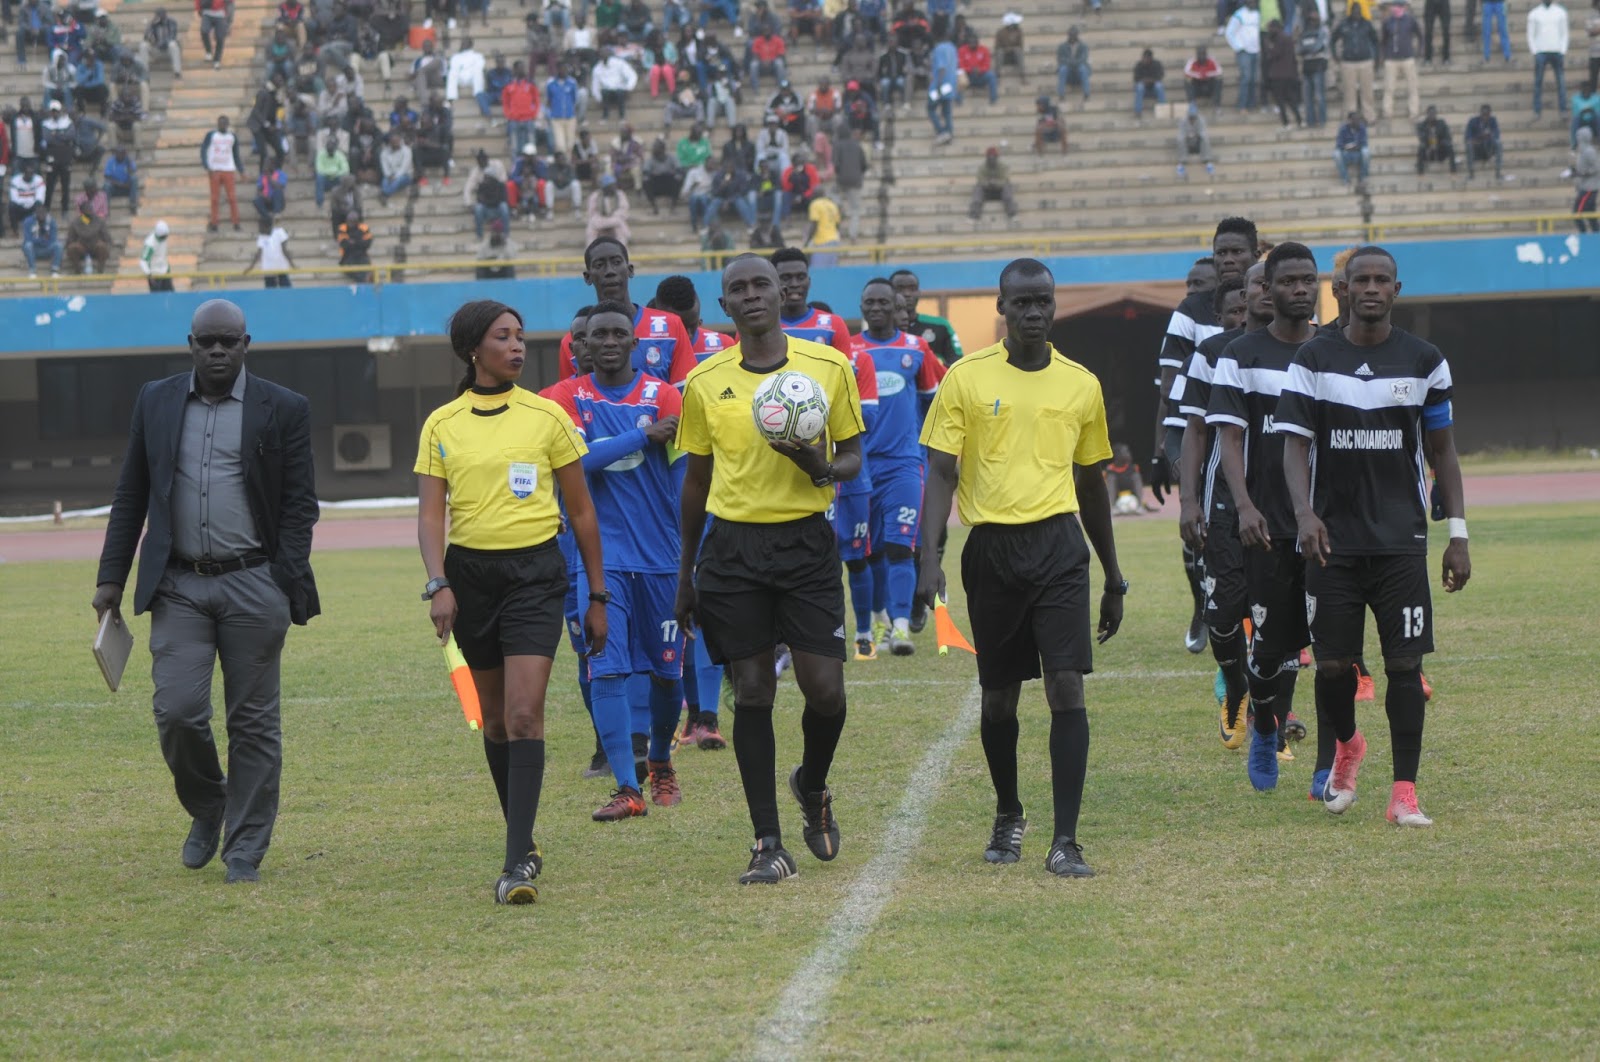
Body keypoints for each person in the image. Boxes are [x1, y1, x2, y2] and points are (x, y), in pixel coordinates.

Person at [92, 299, 319, 885]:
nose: (217, 351)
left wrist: (279, 577)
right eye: (206, 342)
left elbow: (299, 506)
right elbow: (131, 493)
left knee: (253, 724)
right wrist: (110, 579)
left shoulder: (284, 408)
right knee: (178, 711)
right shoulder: (157, 399)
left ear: (247, 344)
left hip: (254, 583)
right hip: (179, 585)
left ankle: (244, 847)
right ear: (190, 344)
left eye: (229, 342)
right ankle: (208, 804)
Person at [916, 257, 1124, 878]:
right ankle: (1009, 810)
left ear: (1054, 307)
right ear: (1001, 309)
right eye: (1021, 302)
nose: (1033, 312)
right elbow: (942, 471)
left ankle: (1066, 839)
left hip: (1060, 546)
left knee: (1066, 686)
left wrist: (1112, 575)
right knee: (1000, 698)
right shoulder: (965, 378)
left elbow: (1091, 485)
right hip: (992, 550)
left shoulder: (1081, 384)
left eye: (1043, 301)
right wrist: (930, 556)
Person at [674, 254, 866, 884]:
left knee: (826, 691)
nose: (752, 295)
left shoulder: (828, 367)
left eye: (761, 284)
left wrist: (820, 465)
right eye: (738, 289)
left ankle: (812, 785)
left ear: (781, 293)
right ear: (724, 305)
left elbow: (852, 459)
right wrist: (686, 573)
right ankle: (767, 843)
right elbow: (696, 481)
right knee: (753, 691)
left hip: (806, 545)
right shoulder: (705, 382)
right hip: (732, 552)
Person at [416, 300, 606, 902]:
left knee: (525, 715)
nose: (518, 346)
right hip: (470, 579)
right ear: (476, 349)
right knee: (494, 720)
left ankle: (515, 862)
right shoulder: (441, 424)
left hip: (535, 575)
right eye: (504, 337)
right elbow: (429, 517)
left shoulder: (547, 417)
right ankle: (522, 840)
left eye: (521, 337)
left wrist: (596, 594)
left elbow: (580, 511)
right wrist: (438, 583)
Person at [1275, 246, 1471, 827]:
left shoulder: (1425, 360)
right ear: (1341, 289)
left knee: (1405, 665)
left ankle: (1404, 793)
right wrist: (1305, 516)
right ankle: (1348, 747)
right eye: (1360, 279)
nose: (1371, 288)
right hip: (1331, 543)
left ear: (1396, 290)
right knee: (1334, 668)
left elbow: (1444, 452)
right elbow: (1293, 446)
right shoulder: (1313, 359)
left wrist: (1457, 534)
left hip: (1400, 543)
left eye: (1382, 279)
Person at [546, 303, 688, 819]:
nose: (608, 340)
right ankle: (628, 789)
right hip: (598, 562)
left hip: (661, 559)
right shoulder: (561, 399)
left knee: (667, 676)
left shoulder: (665, 395)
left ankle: (661, 760)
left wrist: (689, 556)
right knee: (604, 666)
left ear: (636, 343)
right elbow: (572, 464)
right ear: (579, 344)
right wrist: (639, 437)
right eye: (597, 333)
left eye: (618, 333)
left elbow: (683, 476)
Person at [1205, 243, 1322, 791]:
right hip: (1267, 523)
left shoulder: (1333, 348)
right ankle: (1264, 728)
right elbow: (1228, 436)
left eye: (1308, 280)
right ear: (1267, 290)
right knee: (1269, 645)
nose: (1300, 289)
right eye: (1289, 281)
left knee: (1332, 648)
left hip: (1326, 523)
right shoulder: (1240, 354)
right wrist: (1245, 504)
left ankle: (1332, 758)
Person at [1149, 218, 1257, 653]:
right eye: (1222, 252)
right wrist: (1160, 449)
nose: (1229, 259)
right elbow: (1168, 384)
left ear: (1255, 254)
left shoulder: (1270, 297)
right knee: (1197, 516)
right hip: (1190, 428)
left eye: (1237, 252)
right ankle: (1204, 606)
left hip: (1247, 432)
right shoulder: (1190, 311)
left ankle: (1256, 612)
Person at [1174, 268, 1265, 751]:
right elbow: (1196, 430)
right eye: (1260, 285)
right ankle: (1235, 686)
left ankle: (1273, 720)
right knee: (1225, 613)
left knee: (1281, 618)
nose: (1267, 293)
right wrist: (1189, 500)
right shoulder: (1213, 354)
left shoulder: (1310, 350)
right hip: (1225, 503)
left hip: (1286, 503)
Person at [854, 277, 940, 657]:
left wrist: (926, 449)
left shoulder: (916, 348)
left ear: (896, 306)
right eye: (868, 302)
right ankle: (880, 623)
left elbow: (932, 403)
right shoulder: (850, 351)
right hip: (859, 464)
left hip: (905, 463)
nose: (875, 309)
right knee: (868, 551)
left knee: (900, 546)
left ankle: (901, 626)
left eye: (882, 303)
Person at [556, 237, 697, 381]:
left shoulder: (671, 327)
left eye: (616, 262)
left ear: (630, 270)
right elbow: (570, 396)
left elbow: (685, 394)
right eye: (599, 265)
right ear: (587, 277)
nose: (610, 271)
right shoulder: (575, 341)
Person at [1380, 0, 1424, 121]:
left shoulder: (1410, 20)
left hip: (1408, 58)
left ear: (1404, 7)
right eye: (1394, 6)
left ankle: (1414, 112)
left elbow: (1420, 35)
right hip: (1391, 59)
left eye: (1399, 6)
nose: (1396, 8)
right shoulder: (1387, 22)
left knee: (1412, 87)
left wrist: (1419, 50)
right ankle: (1387, 112)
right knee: (1389, 87)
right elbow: (1383, 40)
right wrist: (1383, 55)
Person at [1334, 6, 1379, 120]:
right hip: (1348, 63)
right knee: (1349, 93)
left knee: (1367, 92)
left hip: (1365, 61)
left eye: (1358, 12)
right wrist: (1335, 55)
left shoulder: (1367, 24)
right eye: (1354, 12)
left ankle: (1369, 116)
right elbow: (1332, 40)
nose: (1356, 14)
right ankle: (1350, 117)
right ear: (1351, 12)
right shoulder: (1343, 24)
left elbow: (1375, 41)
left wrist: (1376, 58)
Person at [1529, 0, 1570, 119]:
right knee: (1538, 82)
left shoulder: (1560, 12)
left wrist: (1563, 50)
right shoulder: (1534, 13)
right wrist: (1535, 51)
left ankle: (1563, 109)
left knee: (1561, 82)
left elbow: (1564, 33)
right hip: (1541, 51)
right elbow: (1530, 34)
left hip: (1556, 51)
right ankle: (1537, 110)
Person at [201, 115, 241, 233]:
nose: (222, 125)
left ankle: (236, 223)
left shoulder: (232, 137)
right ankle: (214, 223)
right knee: (214, 198)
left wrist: (241, 170)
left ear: (227, 125)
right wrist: (207, 166)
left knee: (232, 197)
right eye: (220, 123)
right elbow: (203, 149)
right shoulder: (211, 135)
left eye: (224, 123)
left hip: (228, 169)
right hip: (215, 170)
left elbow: (236, 154)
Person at [1263, 20, 1302, 126]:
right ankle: (1299, 120)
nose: (1269, 31)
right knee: (1290, 99)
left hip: (1278, 75)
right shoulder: (1287, 38)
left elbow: (1274, 54)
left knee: (1280, 100)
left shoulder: (1279, 39)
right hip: (1288, 74)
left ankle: (1286, 123)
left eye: (1270, 28)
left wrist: (1268, 46)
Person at [968, 146, 1018, 226]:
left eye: (993, 157)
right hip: (987, 191)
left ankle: (1012, 214)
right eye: (989, 157)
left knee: (1007, 187)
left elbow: (1005, 180)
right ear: (987, 158)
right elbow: (980, 180)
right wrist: (988, 183)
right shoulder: (982, 168)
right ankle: (974, 215)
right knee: (978, 189)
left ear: (996, 157)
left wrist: (995, 183)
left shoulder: (1003, 167)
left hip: (1000, 192)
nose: (991, 159)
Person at [1226, 0, 1262, 111]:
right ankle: (1242, 105)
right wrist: (1239, 47)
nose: (1253, 3)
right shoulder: (1239, 14)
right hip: (1244, 52)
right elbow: (1229, 32)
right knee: (1245, 78)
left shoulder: (1258, 14)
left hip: (1256, 51)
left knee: (1254, 79)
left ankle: (1251, 105)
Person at [1298, 10, 1330, 126]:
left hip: (1318, 66)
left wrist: (1308, 49)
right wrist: (1308, 49)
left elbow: (1318, 46)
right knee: (1307, 97)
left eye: (1315, 20)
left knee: (1319, 96)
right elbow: (1299, 49)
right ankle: (1310, 121)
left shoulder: (1322, 31)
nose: (1312, 22)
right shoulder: (1304, 32)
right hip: (1307, 66)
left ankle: (1322, 121)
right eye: (1310, 20)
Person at [243, 215, 295, 287]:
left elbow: (285, 250)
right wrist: (251, 267)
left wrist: (292, 264)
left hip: (281, 266)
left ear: (269, 226)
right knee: (270, 290)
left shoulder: (280, 232)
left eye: (261, 227)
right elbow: (258, 254)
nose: (259, 229)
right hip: (268, 267)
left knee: (285, 288)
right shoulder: (261, 237)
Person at [21, 201, 63, 277]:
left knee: (58, 245)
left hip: (47, 248)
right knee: (27, 245)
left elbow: (53, 239)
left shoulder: (51, 222)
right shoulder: (28, 221)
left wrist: (38, 240)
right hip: (34, 250)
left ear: (47, 212)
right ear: (35, 213)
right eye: (39, 212)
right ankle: (32, 271)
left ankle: (55, 270)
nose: (41, 214)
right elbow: (27, 239)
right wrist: (43, 240)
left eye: (43, 212)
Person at [1464, 102, 1504, 179]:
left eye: (1487, 115)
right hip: (1477, 150)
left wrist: (1489, 135)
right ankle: (1471, 174)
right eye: (1483, 114)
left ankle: (1498, 173)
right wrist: (1477, 138)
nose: (1485, 117)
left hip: (1489, 149)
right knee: (1469, 145)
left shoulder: (1493, 121)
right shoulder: (1473, 121)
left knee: (1498, 144)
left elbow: (1497, 134)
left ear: (1490, 114)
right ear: (1480, 114)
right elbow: (1467, 137)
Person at [1415, 105, 1457, 173]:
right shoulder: (1421, 125)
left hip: (1440, 150)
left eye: (1434, 113)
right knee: (1421, 147)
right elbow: (1421, 138)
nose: (1432, 115)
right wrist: (1429, 135)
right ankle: (1420, 173)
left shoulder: (1441, 123)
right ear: (1427, 114)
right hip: (1428, 152)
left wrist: (1439, 140)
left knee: (1449, 146)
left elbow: (1448, 137)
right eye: (1430, 114)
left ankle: (1453, 170)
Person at [1176, 104, 1215, 177]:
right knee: (1180, 139)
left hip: (1198, 142)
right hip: (1187, 142)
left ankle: (1207, 161)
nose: (1192, 119)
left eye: (1194, 117)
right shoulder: (1183, 120)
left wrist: (1196, 135)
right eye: (1191, 117)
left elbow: (1203, 132)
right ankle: (1181, 162)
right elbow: (1181, 134)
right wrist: (1187, 136)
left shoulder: (1201, 120)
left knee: (1205, 139)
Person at [1184, 44, 1224, 111]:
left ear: (1206, 54)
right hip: (1197, 86)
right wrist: (1197, 75)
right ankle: (1192, 106)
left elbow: (1220, 71)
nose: (1201, 56)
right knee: (1188, 80)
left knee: (1219, 79)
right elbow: (1186, 71)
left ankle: (1217, 107)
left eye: (1203, 54)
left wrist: (1207, 74)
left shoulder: (1211, 59)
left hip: (1209, 85)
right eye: (1200, 54)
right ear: (1197, 54)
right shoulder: (1192, 60)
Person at [1574, 127, 1600, 231]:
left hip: (1589, 188)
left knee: (1576, 213)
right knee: (1590, 215)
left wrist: (1584, 173)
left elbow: (1597, 167)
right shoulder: (1582, 151)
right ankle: (1595, 236)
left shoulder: (1589, 151)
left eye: (1579, 136)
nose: (1577, 138)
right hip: (1584, 186)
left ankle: (1585, 236)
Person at [1335, 110, 1371, 184]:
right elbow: (1339, 144)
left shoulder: (1362, 128)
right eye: (1354, 119)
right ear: (1349, 120)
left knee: (1366, 152)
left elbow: (1364, 142)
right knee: (1336, 154)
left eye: (1358, 119)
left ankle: (1363, 177)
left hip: (1358, 152)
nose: (1357, 121)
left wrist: (1357, 146)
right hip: (1346, 153)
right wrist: (1346, 147)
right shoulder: (1343, 129)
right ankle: (1345, 178)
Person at [337, 208, 373, 281]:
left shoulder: (364, 227)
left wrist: (353, 242)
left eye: (353, 221)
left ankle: (365, 280)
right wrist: (359, 241)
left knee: (369, 268)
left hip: (361, 254)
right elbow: (344, 244)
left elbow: (367, 243)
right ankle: (363, 280)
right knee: (346, 268)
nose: (351, 223)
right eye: (349, 221)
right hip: (347, 255)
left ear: (357, 221)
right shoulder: (342, 228)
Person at [1057, 26, 1091, 102]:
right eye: (1070, 34)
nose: (1072, 36)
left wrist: (1072, 63)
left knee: (1083, 68)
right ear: (1068, 35)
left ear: (1077, 35)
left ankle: (1086, 94)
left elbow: (1083, 59)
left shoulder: (1083, 46)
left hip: (1079, 73)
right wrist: (1072, 63)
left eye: (1074, 34)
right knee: (1063, 69)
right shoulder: (1062, 47)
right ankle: (1061, 95)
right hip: (1068, 74)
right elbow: (1060, 59)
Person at [197, 0, 232, 69]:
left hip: (220, 14)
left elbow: (230, 2)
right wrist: (198, 8)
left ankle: (217, 60)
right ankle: (209, 51)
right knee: (204, 31)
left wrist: (228, 16)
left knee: (220, 37)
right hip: (207, 12)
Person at [1133, 48, 1167, 118]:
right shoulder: (1139, 65)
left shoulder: (1157, 64)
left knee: (1159, 86)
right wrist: (1144, 81)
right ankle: (1138, 111)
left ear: (1151, 58)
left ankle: (1163, 110)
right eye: (1144, 57)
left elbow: (1160, 77)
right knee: (1139, 87)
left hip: (1154, 90)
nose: (1145, 59)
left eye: (1147, 58)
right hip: (1143, 91)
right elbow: (1136, 79)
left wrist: (1149, 80)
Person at [141, 219, 173, 290]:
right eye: (164, 236)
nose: (165, 238)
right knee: (157, 298)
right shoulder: (150, 244)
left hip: (165, 271)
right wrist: (149, 274)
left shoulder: (163, 239)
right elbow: (143, 261)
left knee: (170, 295)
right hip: (155, 275)